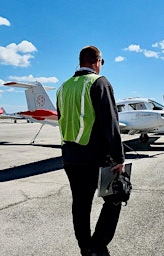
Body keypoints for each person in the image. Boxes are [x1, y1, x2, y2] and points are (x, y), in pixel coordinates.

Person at [57, 45, 125, 256]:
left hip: (70, 156)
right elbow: (110, 122)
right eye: (102, 62)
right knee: (116, 196)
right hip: (95, 156)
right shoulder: (99, 82)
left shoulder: (63, 87)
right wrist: (119, 156)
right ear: (97, 62)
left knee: (80, 203)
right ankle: (99, 243)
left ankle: (85, 247)